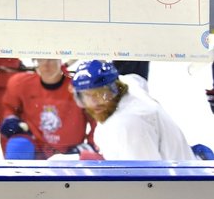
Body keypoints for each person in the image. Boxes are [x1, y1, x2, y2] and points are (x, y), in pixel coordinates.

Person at [71, 60, 199, 161]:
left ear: (115, 89)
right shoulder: (129, 83)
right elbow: (138, 80)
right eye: (87, 96)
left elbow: (148, 182)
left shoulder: (129, 125)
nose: (94, 103)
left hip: (179, 189)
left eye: (101, 93)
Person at [0, 59, 93, 159]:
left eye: (50, 59)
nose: (46, 65)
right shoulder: (21, 83)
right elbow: (9, 107)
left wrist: (90, 142)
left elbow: (96, 117)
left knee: (92, 159)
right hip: (36, 146)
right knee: (18, 145)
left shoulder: (79, 87)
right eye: (41, 60)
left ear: (60, 60)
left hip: (70, 151)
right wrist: (11, 119)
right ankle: (18, 174)